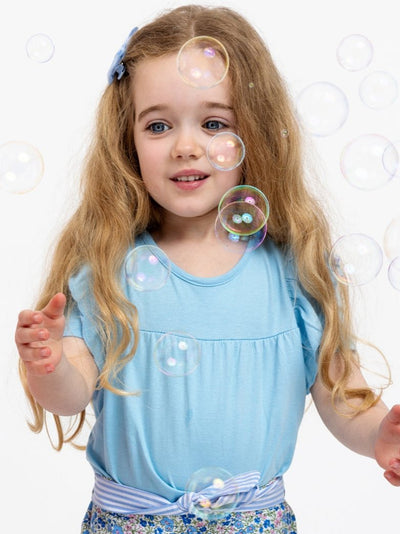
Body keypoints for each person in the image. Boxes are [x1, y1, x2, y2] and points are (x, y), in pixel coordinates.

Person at [15, 4, 400, 534]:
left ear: (256, 134)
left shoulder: (292, 271)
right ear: (127, 141)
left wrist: (380, 434)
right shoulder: (108, 268)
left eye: (214, 122)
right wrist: (48, 365)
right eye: (158, 125)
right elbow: (70, 394)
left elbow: (342, 398)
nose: (186, 146)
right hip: (127, 524)